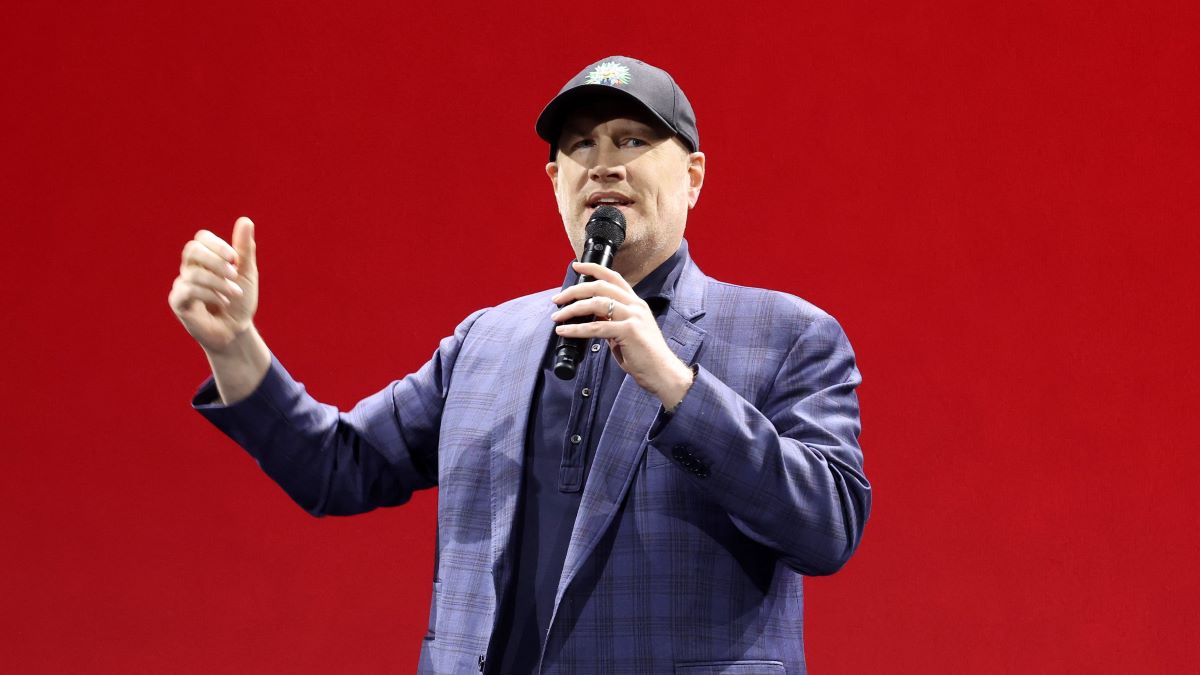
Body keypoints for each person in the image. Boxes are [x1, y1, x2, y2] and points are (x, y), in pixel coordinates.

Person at [169, 56, 871, 674]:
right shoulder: (487, 341)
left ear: (692, 177)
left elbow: (827, 526)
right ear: (555, 180)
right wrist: (235, 346)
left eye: (632, 139)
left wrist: (678, 388)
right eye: (580, 145)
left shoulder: (787, 335)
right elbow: (337, 464)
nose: (605, 164)